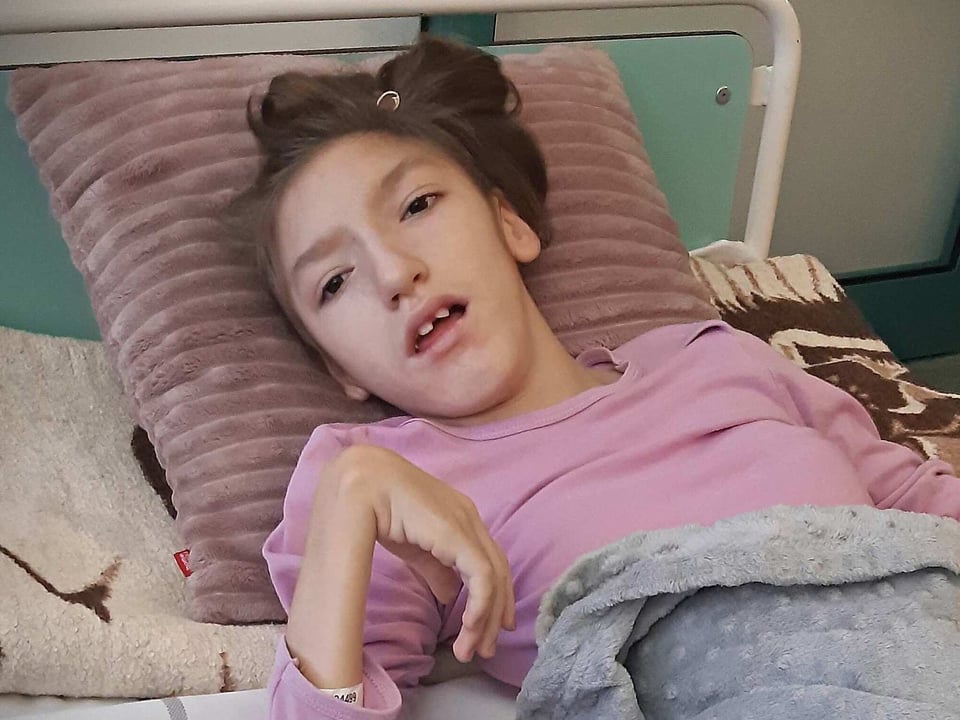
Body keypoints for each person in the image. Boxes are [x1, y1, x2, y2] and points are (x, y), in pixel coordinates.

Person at [230, 35, 960, 720]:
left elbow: (920, 508)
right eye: (334, 281)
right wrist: (352, 496)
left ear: (510, 224)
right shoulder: (387, 486)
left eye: (417, 205)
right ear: (338, 366)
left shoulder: (716, 356)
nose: (394, 273)